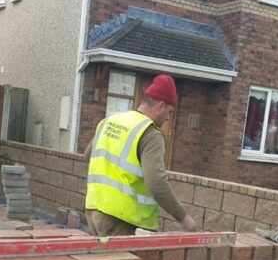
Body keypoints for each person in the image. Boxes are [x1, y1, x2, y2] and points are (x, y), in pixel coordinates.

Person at [84, 74, 197, 236]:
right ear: (161, 105)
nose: (168, 118)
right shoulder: (150, 133)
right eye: (169, 112)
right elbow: (156, 183)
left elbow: (88, 156)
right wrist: (183, 217)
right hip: (125, 220)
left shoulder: (111, 121)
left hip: (94, 211)